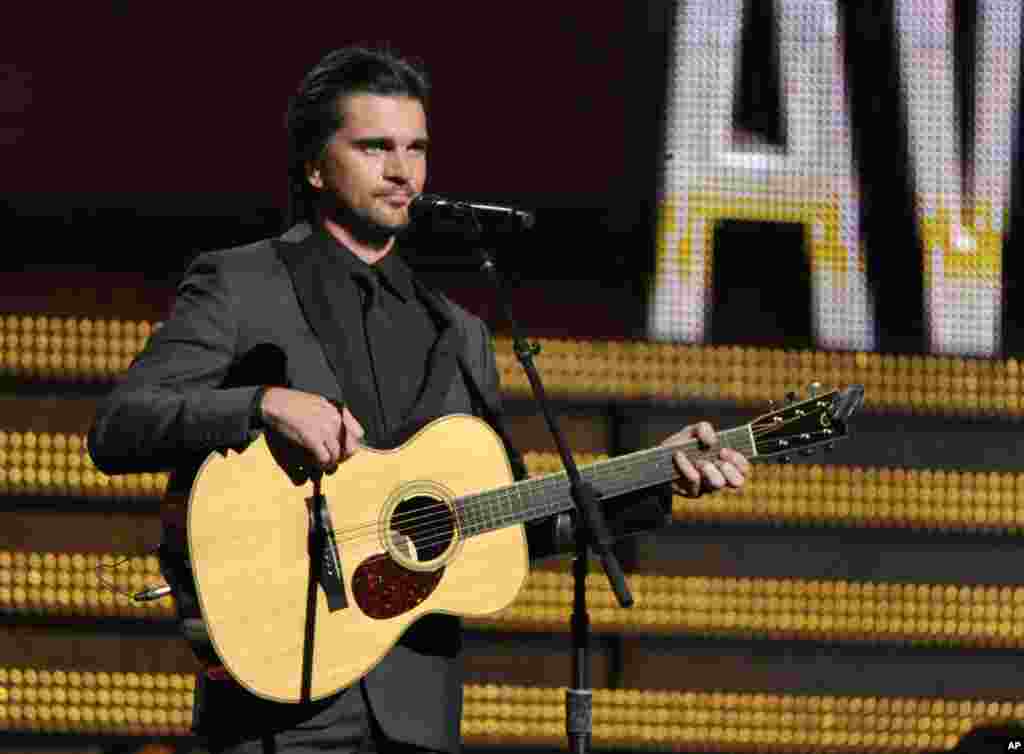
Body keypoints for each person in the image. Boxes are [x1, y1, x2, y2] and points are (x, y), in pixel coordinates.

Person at [88, 47, 750, 754]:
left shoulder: (458, 332)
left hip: (417, 716)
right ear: (315, 166)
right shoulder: (244, 283)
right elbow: (120, 427)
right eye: (375, 147)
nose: (403, 171)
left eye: (416, 149)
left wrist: (656, 479)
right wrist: (260, 405)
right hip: (279, 708)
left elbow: (510, 521)